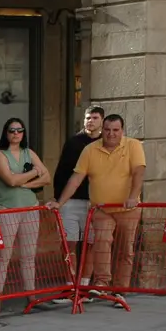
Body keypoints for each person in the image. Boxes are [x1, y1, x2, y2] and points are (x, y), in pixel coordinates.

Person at [47, 114, 146, 307]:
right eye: (107, 130)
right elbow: (76, 179)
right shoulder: (90, 150)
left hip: (128, 209)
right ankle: (102, 284)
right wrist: (60, 202)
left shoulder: (133, 145)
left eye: (115, 130)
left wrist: (133, 196)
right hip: (101, 208)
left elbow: (138, 172)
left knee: (125, 249)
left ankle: (120, 291)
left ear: (122, 131)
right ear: (103, 130)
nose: (111, 134)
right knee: (101, 243)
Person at [0, 118, 50, 301]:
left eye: (19, 130)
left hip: (30, 207)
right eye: (12, 130)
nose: (16, 134)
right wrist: (33, 173)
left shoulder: (28, 152)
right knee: (3, 256)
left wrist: (24, 184)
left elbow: (47, 178)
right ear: (5, 132)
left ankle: (31, 296)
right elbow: (10, 180)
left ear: (24, 133)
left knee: (29, 255)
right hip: (7, 209)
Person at [51, 106, 105, 304]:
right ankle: (70, 285)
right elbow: (62, 172)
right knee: (68, 243)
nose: (90, 121)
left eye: (95, 118)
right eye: (88, 117)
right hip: (71, 201)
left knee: (90, 245)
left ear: (102, 120)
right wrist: (58, 200)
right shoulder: (73, 142)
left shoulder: (105, 144)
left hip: (95, 202)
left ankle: (85, 285)